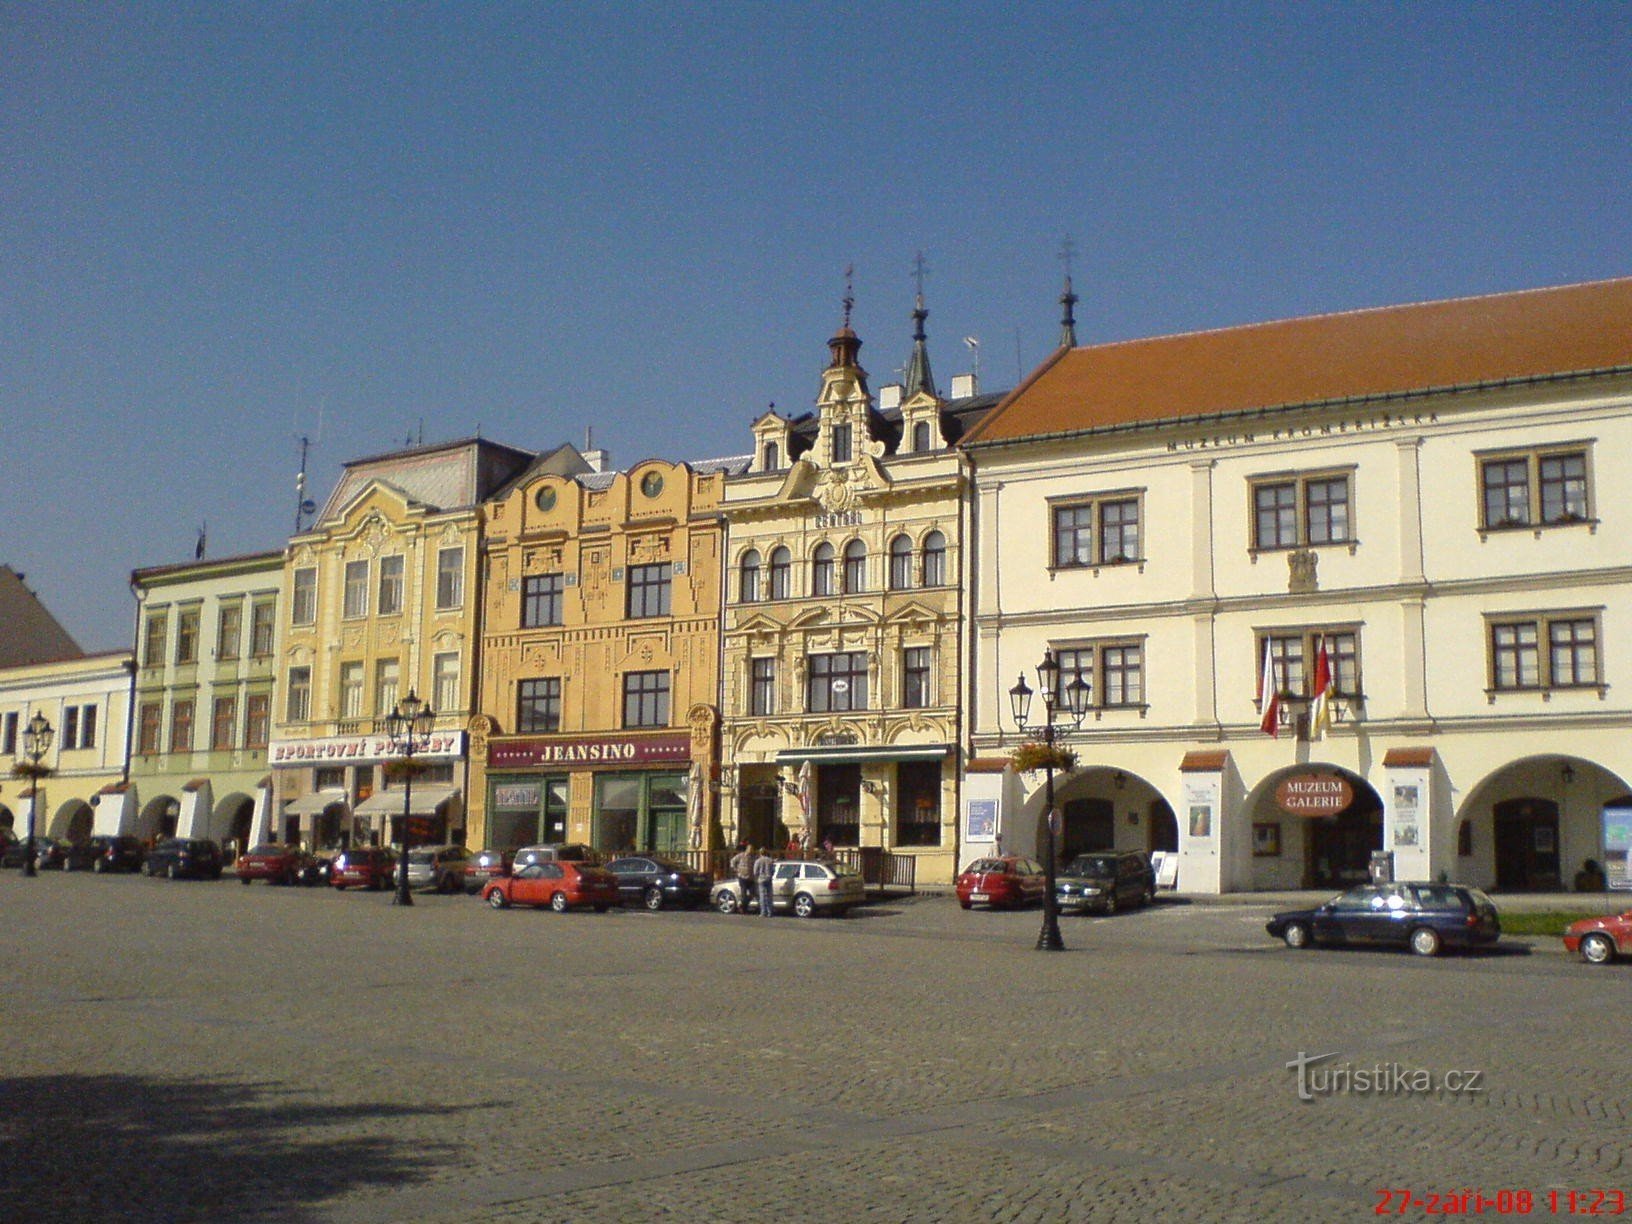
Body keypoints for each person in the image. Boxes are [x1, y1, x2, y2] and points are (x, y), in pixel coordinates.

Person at [730, 843, 754, 912]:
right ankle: (743, 909)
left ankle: (742, 905)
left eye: (752, 849)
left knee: (752, 893)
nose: (751, 850)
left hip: (750, 878)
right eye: (750, 849)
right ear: (747, 849)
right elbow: (732, 861)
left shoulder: (753, 857)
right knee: (744, 894)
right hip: (742, 877)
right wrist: (735, 869)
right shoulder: (741, 855)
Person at [753, 846, 776, 918]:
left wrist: (757, 877)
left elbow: (755, 871)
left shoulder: (758, 861)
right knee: (769, 896)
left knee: (762, 896)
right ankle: (770, 912)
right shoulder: (770, 860)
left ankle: (763, 912)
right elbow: (773, 870)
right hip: (769, 878)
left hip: (761, 879)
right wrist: (771, 875)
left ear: (760, 853)